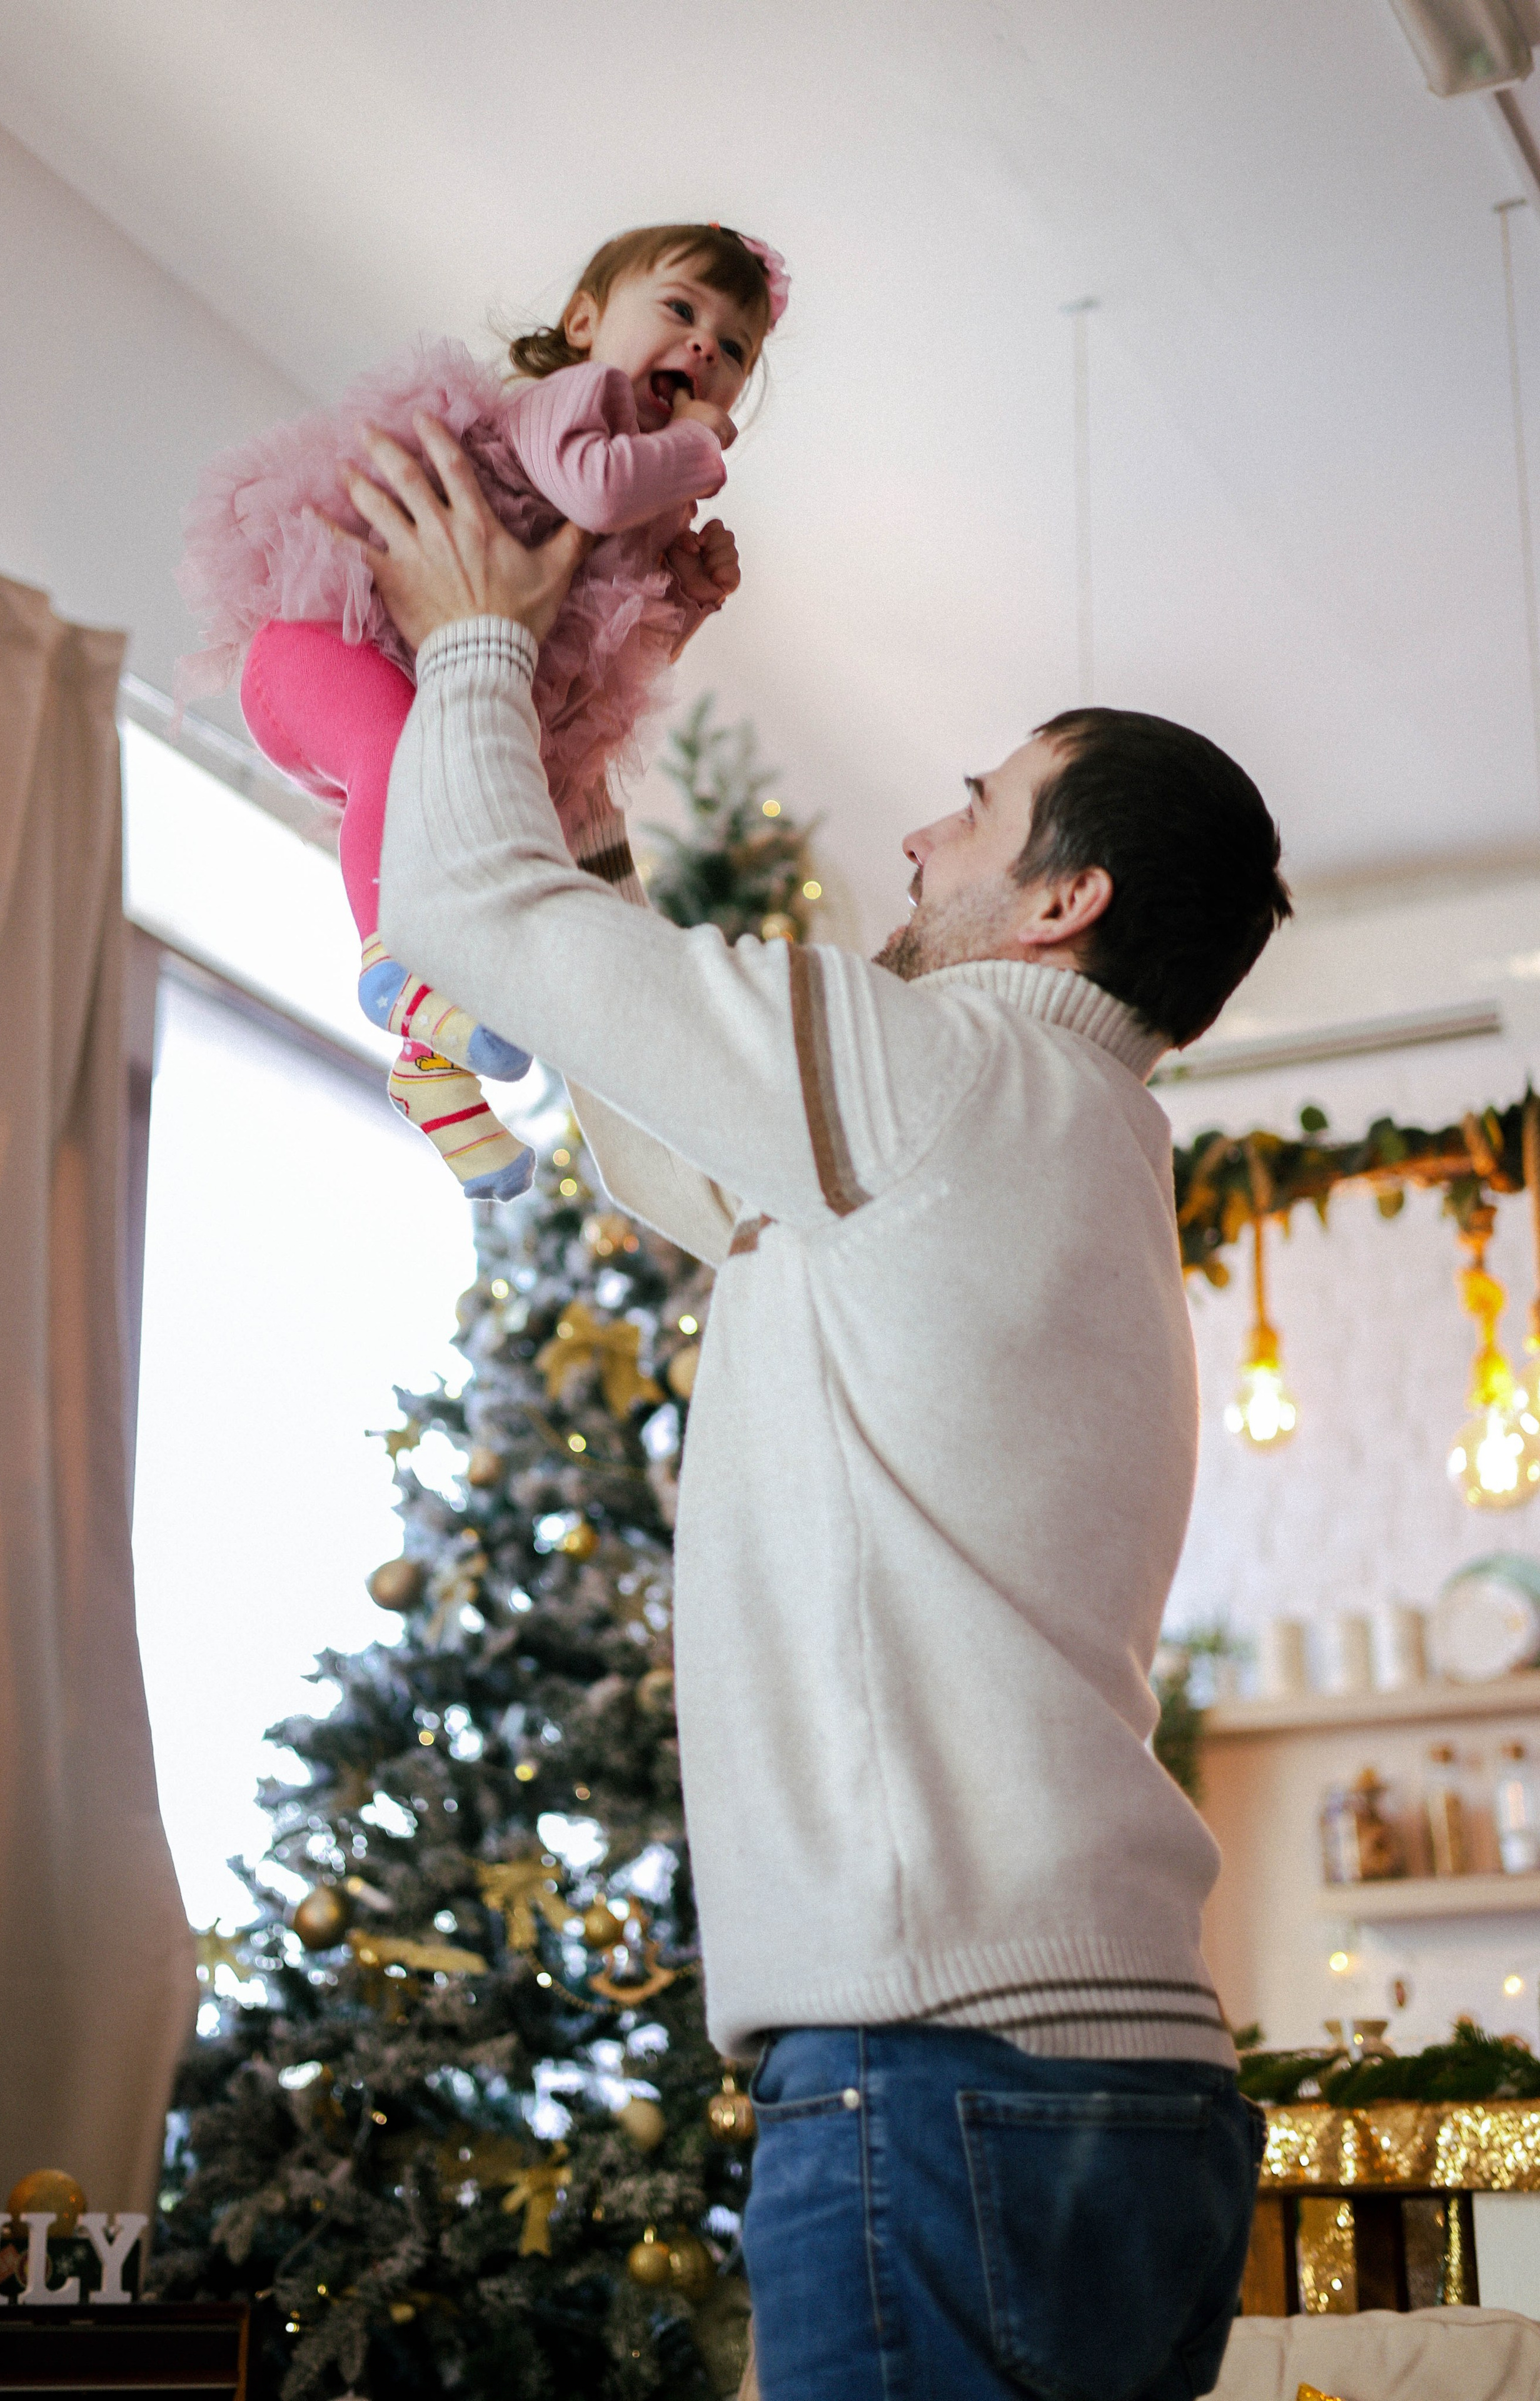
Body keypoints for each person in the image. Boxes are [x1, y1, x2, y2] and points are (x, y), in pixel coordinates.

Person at [344, 416, 1287, 2401]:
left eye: (977, 805)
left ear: (1062, 901)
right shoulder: (1063, 1137)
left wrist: (472, 640)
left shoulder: (938, 1072)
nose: (924, 837)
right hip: (1123, 2095)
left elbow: (459, 898)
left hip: (948, 2072)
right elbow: (668, 1141)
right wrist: (588, 728)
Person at [176, 222, 786, 1194]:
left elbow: (585, 664)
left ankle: (439, 1087)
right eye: (680, 310)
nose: (707, 347)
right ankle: (394, 961)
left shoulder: (643, 507)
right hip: (318, 646)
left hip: (413, 691)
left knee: (454, 817)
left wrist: (687, 600)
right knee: (403, 756)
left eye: (736, 348)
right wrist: (694, 450)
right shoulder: (572, 403)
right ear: (585, 322)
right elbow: (593, 485)